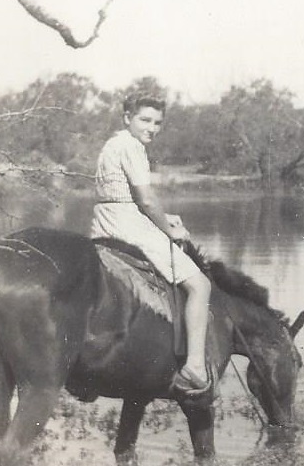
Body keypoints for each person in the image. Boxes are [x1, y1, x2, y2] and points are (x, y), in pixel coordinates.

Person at [90, 92, 214, 400]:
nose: (152, 128)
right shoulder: (132, 147)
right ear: (127, 118)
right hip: (128, 225)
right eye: (145, 120)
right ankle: (196, 365)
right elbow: (145, 200)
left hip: (105, 219)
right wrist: (170, 231)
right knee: (200, 285)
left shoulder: (112, 143)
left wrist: (165, 217)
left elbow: (125, 196)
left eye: (158, 123)